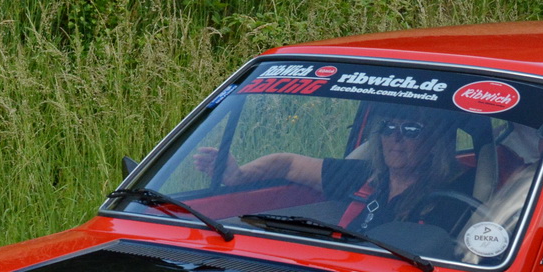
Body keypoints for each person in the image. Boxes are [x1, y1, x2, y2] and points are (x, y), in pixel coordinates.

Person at [193, 104, 476, 233]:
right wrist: (238, 176)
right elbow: (288, 164)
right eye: (388, 127)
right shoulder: (365, 175)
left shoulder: (453, 196)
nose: (396, 138)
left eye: (411, 130)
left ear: (435, 142)